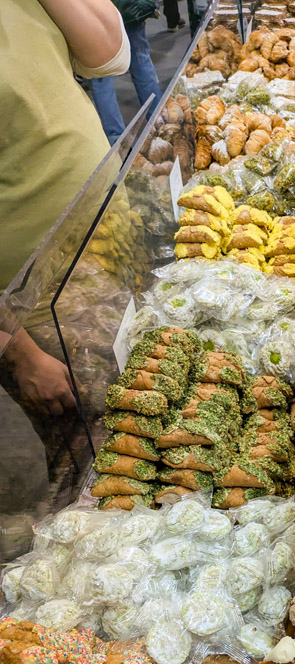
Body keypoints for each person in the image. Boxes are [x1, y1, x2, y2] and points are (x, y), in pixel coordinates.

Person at [0, 0, 130, 415]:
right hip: (38, 301)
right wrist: (17, 352)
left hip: (109, 236)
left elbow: (111, 52)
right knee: (102, 437)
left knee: (158, 388)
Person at [90, 0, 164, 146]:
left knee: (100, 75)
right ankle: (161, 121)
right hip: (128, 7)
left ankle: (119, 143)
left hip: (95, 13)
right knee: (140, 59)